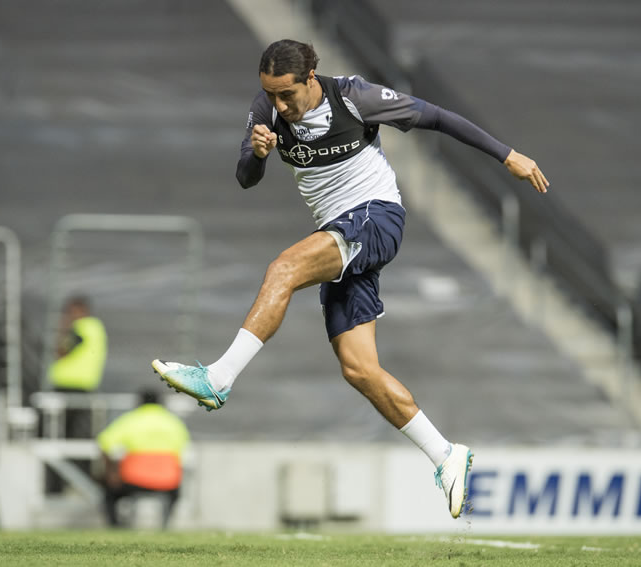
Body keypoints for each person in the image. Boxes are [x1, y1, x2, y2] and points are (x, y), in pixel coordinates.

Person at [153, 39, 549, 519]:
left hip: (375, 217)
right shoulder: (266, 110)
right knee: (359, 370)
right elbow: (245, 177)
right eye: (271, 95)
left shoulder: (354, 97)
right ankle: (447, 455)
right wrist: (258, 153)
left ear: (311, 77)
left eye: (287, 95)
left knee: (284, 268)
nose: (279, 106)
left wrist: (507, 155)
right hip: (338, 234)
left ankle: (218, 378)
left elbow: (437, 117)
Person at [96, 388, 190, 529]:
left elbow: (104, 443)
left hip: (134, 479)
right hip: (167, 481)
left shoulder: (131, 419)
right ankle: (165, 525)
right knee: (176, 493)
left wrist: (112, 472)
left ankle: (115, 527)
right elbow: (183, 449)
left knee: (110, 494)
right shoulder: (173, 422)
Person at [45, 295, 108, 492]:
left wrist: (64, 329)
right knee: (78, 439)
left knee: (56, 440)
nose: (68, 316)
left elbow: (62, 350)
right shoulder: (96, 329)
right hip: (83, 389)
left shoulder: (81, 328)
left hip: (69, 390)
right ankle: (78, 482)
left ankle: (58, 487)